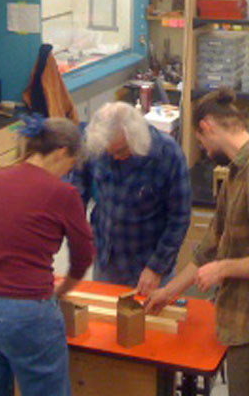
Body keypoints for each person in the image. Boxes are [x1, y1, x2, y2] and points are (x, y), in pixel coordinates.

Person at [145, 88, 249, 396]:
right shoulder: (236, 172)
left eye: (200, 141)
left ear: (206, 127)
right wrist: (168, 291)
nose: (202, 149)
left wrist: (223, 269)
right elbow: (212, 243)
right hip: (241, 319)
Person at [0, 116, 95, 396]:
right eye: (72, 164)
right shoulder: (63, 193)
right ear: (61, 152)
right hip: (25, 312)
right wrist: (62, 291)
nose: (69, 172)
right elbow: (83, 257)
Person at [71, 101, 191, 295]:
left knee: (151, 323)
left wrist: (157, 268)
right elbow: (78, 182)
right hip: (106, 258)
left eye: (121, 151)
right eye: (109, 153)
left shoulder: (168, 155)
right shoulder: (98, 144)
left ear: (136, 138)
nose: (115, 157)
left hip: (149, 263)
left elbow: (180, 218)